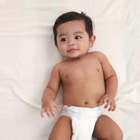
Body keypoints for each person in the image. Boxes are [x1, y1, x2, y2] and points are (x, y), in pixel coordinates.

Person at [40, 11, 123, 140]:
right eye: (63, 39)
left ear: (91, 41)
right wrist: (47, 100)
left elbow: (111, 77)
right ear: (57, 45)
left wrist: (110, 94)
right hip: (70, 116)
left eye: (77, 37)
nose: (71, 42)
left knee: (116, 135)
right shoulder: (59, 68)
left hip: (95, 115)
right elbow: (50, 89)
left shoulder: (98, 57)